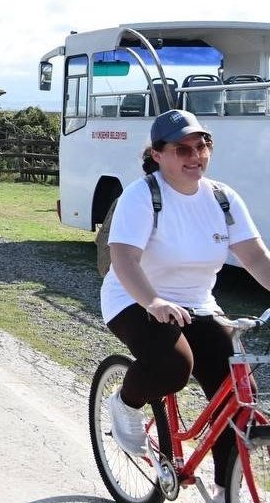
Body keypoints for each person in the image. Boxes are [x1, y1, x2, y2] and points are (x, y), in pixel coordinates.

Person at [102, 109, 270, 496]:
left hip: (197, 304)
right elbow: (123, 258)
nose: (196, 155)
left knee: (239, 393)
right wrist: (154, 301)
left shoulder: (223, 198)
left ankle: (227, 488)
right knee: (175, 366)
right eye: (183, 149)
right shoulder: (143, 195)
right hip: (134, 297)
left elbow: (257, 257)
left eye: (202, 145)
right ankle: (126, 403)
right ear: (158, 154)